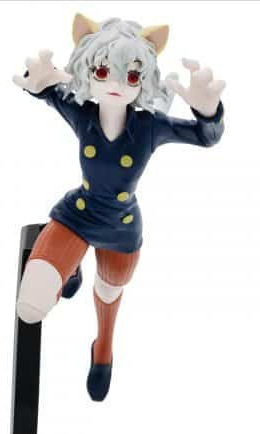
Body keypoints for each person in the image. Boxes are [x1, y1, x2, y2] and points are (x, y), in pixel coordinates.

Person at [12, 13, 226, 401]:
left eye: (130, 75)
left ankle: (103, 348)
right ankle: (70, 268)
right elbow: (47, 92)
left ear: (143, 79)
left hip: (121, 227)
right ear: (88, 70)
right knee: (31, 303)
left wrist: (209, 112)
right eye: (102, 71)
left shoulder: (149, 127)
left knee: (109, 293)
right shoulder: (83, 115)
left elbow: (205, 137)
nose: (114, 84)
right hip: (79, 213)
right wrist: (37, 82)